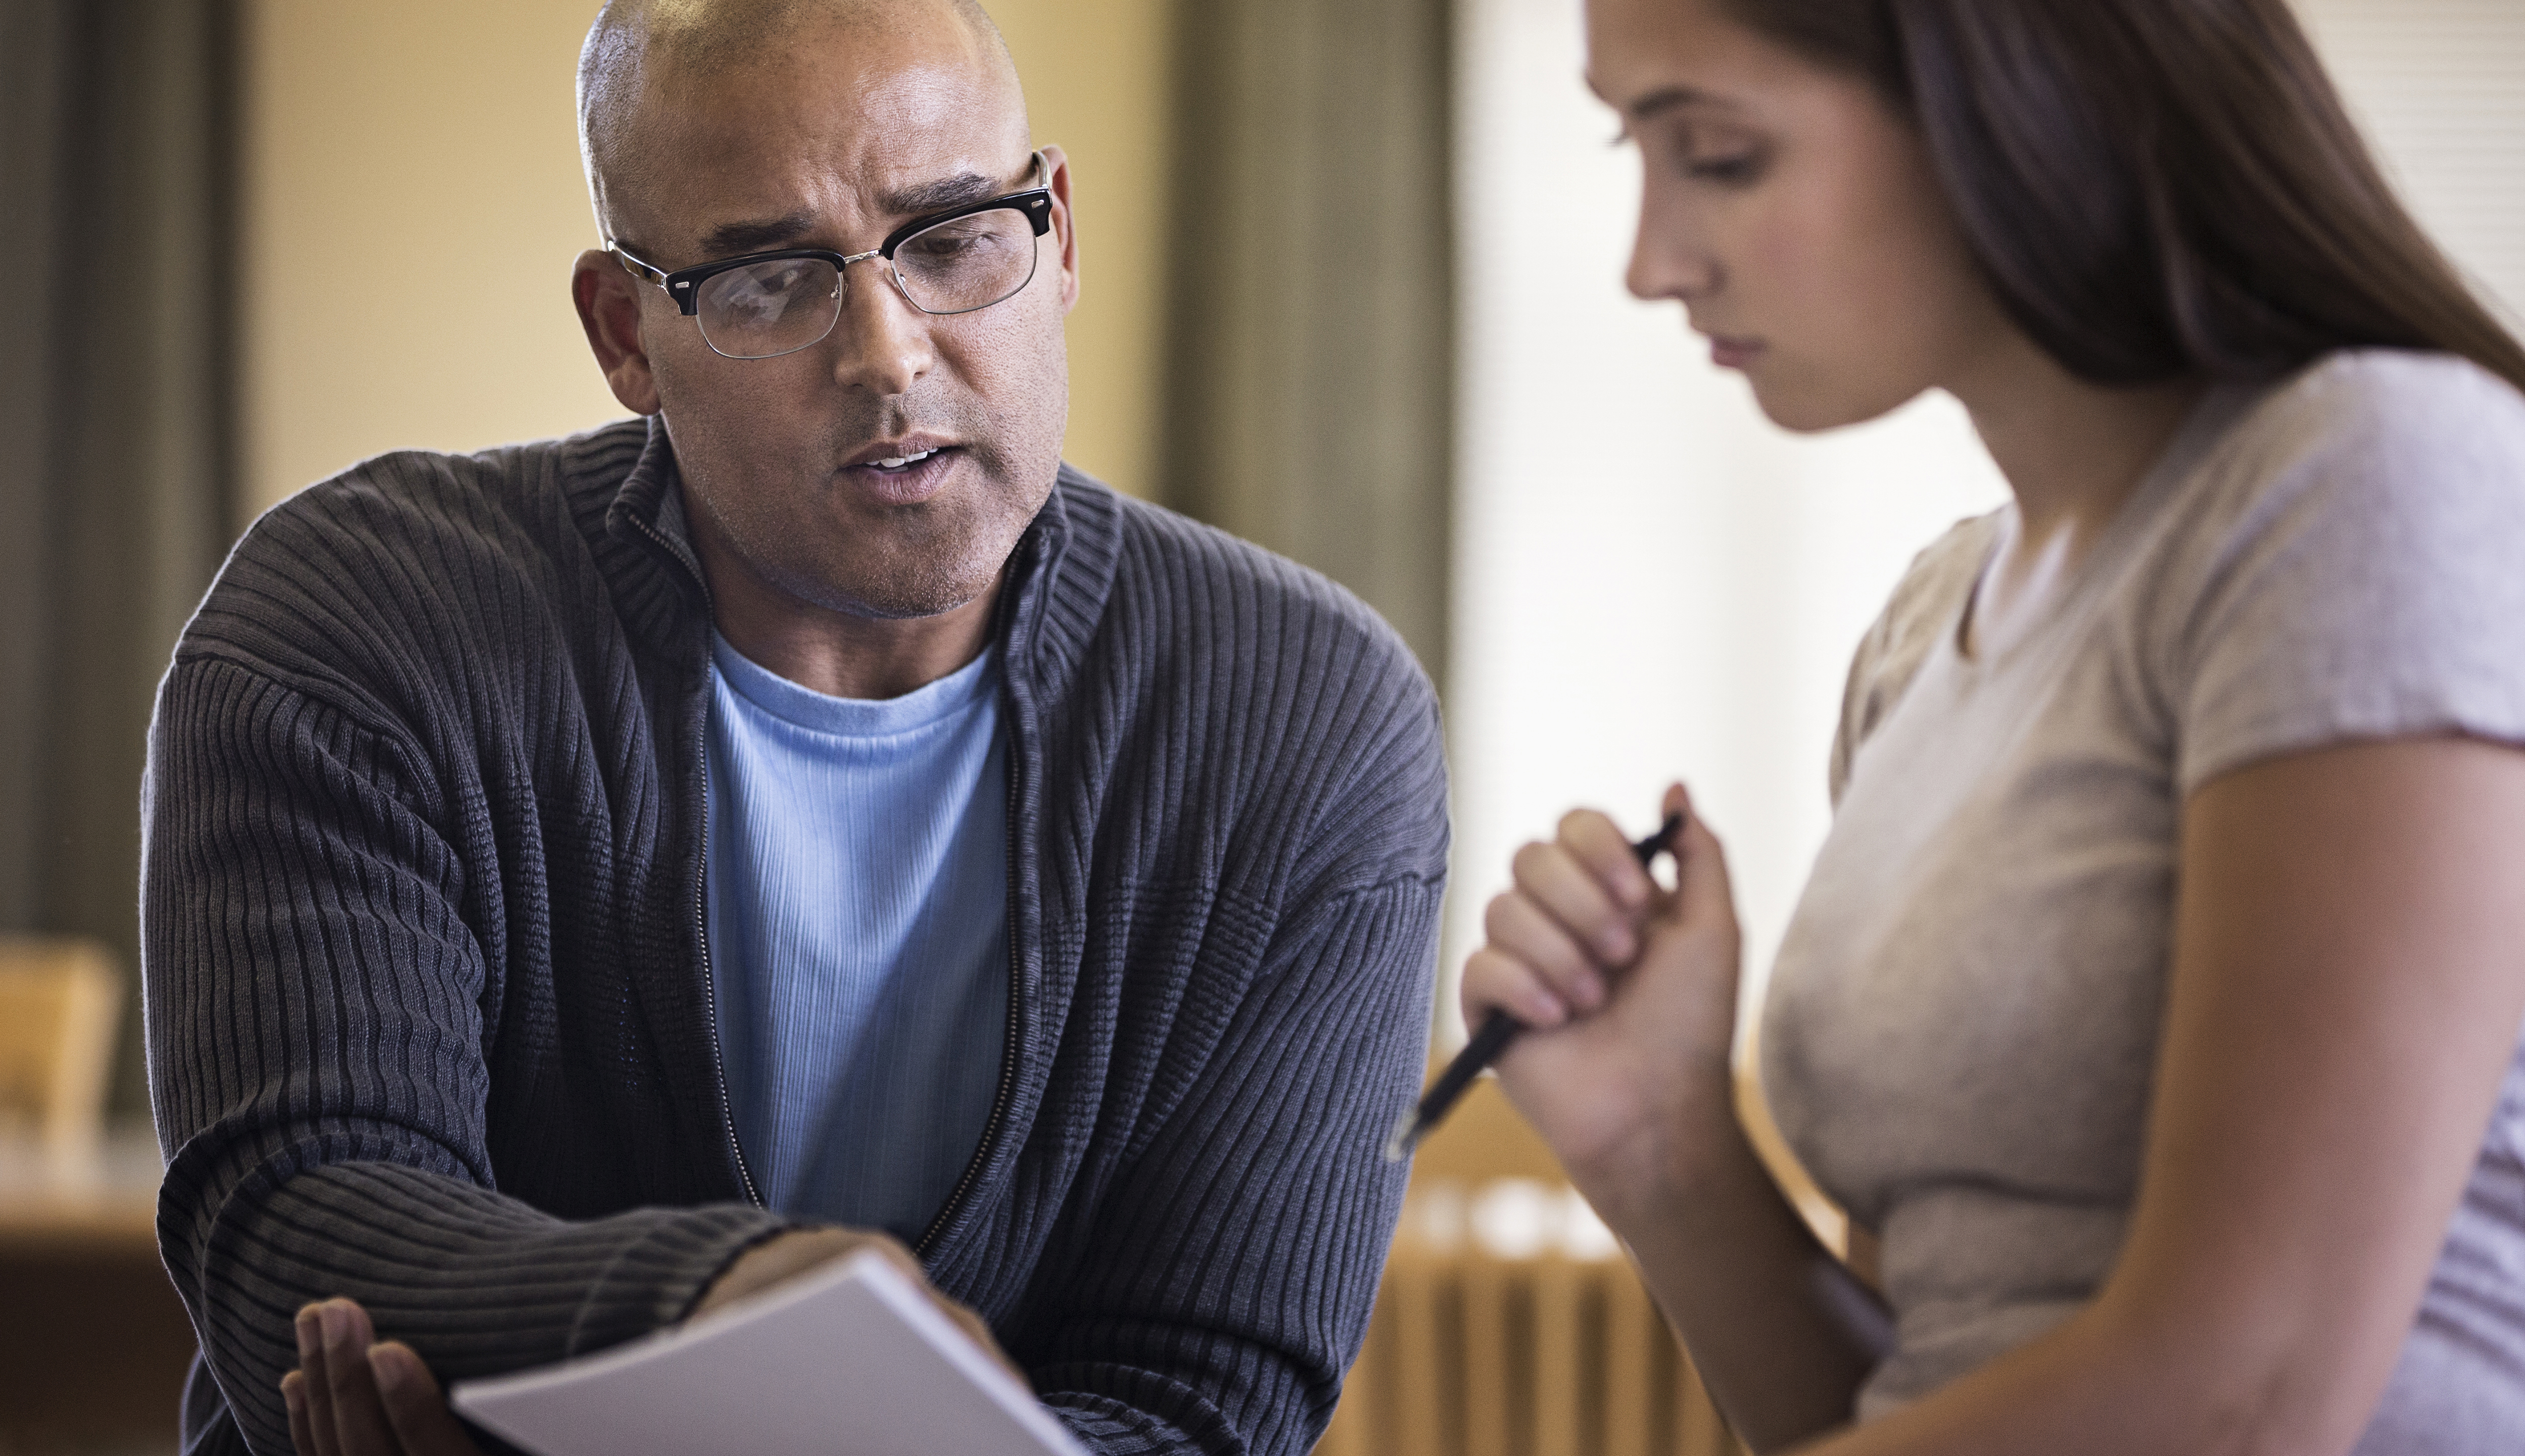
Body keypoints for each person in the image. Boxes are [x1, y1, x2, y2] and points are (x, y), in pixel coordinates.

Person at [139, 3, 1448, 1453]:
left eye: (952, 239)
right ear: (625, 332)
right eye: (769, 277)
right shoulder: (362, 625)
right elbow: (298, 1231)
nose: (888, 356)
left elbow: (1205, 1404)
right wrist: (740, 1301)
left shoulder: (1305, 719)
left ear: (1058, 233)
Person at [1462, 1, 2525, 1453]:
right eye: (1631, 142)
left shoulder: (2368, 476)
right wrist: (1665, 1147)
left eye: (1716, 154)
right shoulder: (1923, 633)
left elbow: (2246, 1392)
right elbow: (1928, 1397)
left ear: (2016, 99)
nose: (1651, 261)